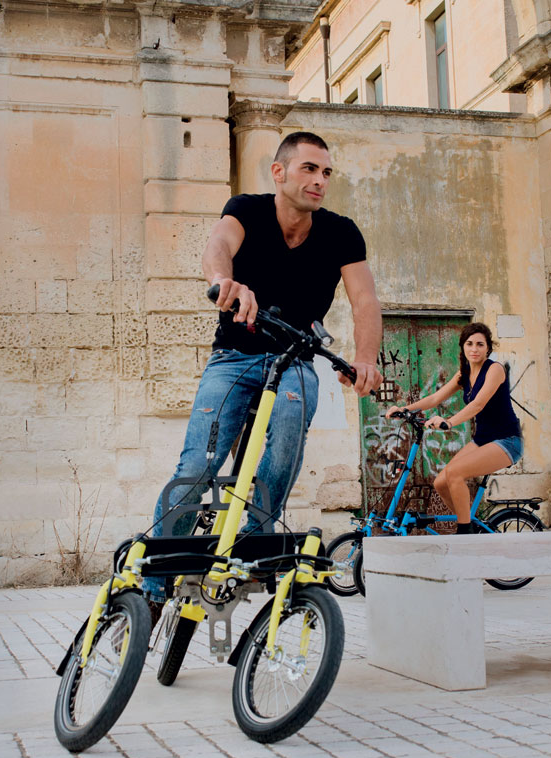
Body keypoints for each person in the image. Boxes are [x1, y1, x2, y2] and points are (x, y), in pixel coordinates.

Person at [144, 131, 384, 616]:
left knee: (287, 438)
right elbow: (218, 246)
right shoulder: (247, 210)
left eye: (326, 172)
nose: (319, 180)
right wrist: (222, 282)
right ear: (279, 172)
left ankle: (250, 547)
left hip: (295, 359)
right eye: (309, 169)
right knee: (198, 466)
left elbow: (364, 301)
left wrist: (365, 358)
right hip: (234, 356)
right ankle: (155, 581)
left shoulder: (341, 232)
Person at [386, 322, 522, 534]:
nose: (474, 349)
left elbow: (478, 404)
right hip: (483, 440)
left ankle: (464, 531)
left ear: (488, 348)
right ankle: (469, 523)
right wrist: (404, 409)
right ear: (463, 347)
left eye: (480, 344)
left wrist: (448, 422)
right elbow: (434, 398)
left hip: (507, 441)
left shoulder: (495, 370)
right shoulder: (464, 374)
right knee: (441, 482)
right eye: (469, 344)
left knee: (456, 474)